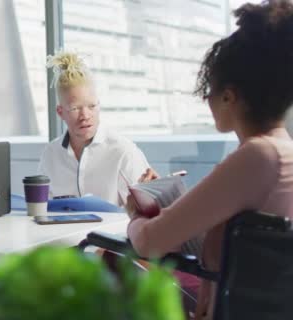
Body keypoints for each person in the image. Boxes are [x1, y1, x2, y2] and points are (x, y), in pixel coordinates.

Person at [126, 1, 293, 319]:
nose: (208, 101)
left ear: (229, 96)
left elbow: (149, 242)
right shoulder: (283, 153)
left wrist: (136, 217)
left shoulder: (258, 158)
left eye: (209, 92)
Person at [38, 51, 155, 206]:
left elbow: (149, 211)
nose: (85, 115)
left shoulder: (123, 151)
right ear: (61, 112)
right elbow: (42, 210)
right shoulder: (51, 155)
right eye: (74, 109)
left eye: (92, 106)